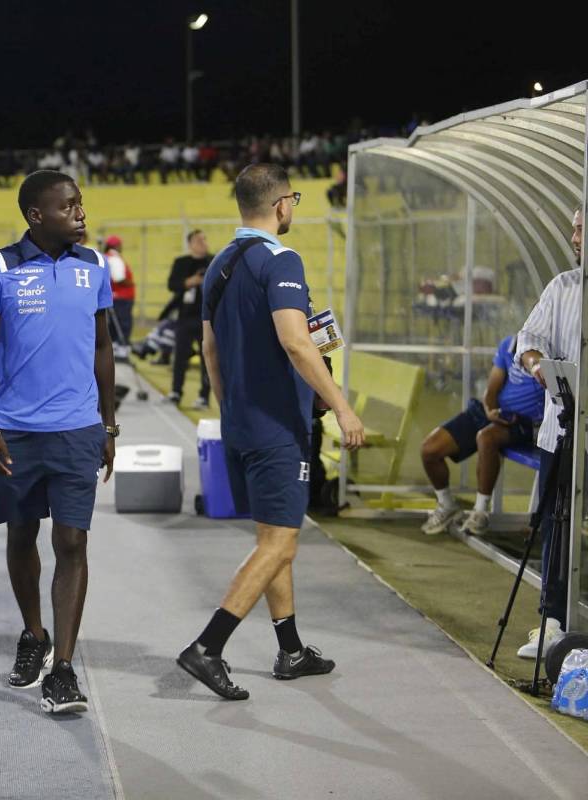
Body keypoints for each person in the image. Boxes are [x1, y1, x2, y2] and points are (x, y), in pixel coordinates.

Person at [176, 163, 365, 700]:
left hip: (240, 421)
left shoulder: (218, 264)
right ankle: (208, 648)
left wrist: (229, 405)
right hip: (277, 426)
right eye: (294, 202)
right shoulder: (281, 260)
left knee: (273, 541)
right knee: (280, 541)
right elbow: (297, 341)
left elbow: (209, 351)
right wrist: (344, 409)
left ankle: (291, 650)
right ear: (282, 204)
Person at [0, 170, 116, 714]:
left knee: (72, 543)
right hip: (17, 434)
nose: (81, 213)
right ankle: (34, 634)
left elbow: (104, 348)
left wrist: (108, 424)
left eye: (81, 204)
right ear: (36, 215)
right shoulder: (0, 266)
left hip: (78, 429)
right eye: (69, 206)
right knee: (21, 534)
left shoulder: (93, 266)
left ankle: (64, 670)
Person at [513, 207, 584, 659]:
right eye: (574, 227)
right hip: (563, 430)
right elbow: (528, 338)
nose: (574, 235)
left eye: (581, 226)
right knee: (556, 521)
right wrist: (538, 364)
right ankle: (552, 620)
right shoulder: (563, 287)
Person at [418, 335, 544, 536]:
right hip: (493, 413)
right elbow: (492, 387)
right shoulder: (509, 344)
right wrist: (490, 409)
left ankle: (480, 512)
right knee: (429, 449)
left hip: (524, 423)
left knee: (486, 437)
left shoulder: (553, 354)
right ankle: (447, 505)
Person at [165, 229, 213, 409]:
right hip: (185, 316)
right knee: (180, 357)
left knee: (207, 358)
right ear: (190, 243)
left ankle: (204, 396)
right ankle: (176, 392)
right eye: (199, 240)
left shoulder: (213, 261)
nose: (203, 243)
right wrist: (190, 282)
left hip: (207, 319)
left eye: (204, 239)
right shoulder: (181, 262)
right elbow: (172, 285)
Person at [104, 235, 135, 344]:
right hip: (121, 297)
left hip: (113, 297)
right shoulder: (114, 258)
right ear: (116, 246)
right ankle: (121, 346)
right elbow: (118, 278)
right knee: (122, 325)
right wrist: (130, 283)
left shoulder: (106, 257)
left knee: (113, 325)